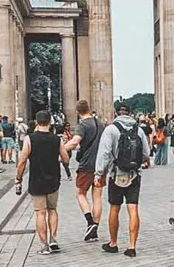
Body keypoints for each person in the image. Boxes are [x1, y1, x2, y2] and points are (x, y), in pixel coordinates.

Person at [95, 103, 150, 257]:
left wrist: (98, 174)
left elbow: (104, 153)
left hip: (116, 174)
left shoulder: (111, 130)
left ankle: (113, 243)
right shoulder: (138, 130)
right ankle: (132, 246)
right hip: (134, 174)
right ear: (130, 113)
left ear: (115, 113)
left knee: (114, 208)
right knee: (133, 209)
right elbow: (146, 153)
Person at [16, 110, 70, 255]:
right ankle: (53, 239)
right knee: (52, 210)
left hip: (36, 179)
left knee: (40, 212)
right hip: (53, 179)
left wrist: (18, 178)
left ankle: (44, 245)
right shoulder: (56, 139)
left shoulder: (29, 139)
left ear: (37, 122)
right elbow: (66, 159)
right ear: (50, 122)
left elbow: (22, 161)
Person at [64, 100, 106, 242]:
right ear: (89, 109)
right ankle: (95, 229)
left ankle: (90, 222)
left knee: (80, 193)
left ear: (77, 112)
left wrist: (61, 148)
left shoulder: (82, 125)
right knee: (97, 197)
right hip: (100, 164)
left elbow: (75, 141)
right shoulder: (100, 123)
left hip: (87, 165)